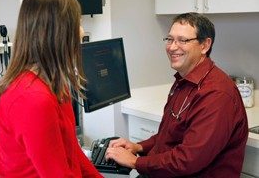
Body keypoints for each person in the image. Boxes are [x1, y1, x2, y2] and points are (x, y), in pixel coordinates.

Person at [105, 12, 248, 177]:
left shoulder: (216, 94)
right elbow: (171, 135)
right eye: (170, 39)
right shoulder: (184, 80)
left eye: (183, 40)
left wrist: (134, 161)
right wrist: (139, 147)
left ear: (205, 45)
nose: (172, 47)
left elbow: (188, 159)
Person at [0, 0, 103, 178]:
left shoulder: (56, 86)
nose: (81, 31)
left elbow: (74, 154)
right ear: (57, 32)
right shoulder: (32, 99)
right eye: (77, 23)